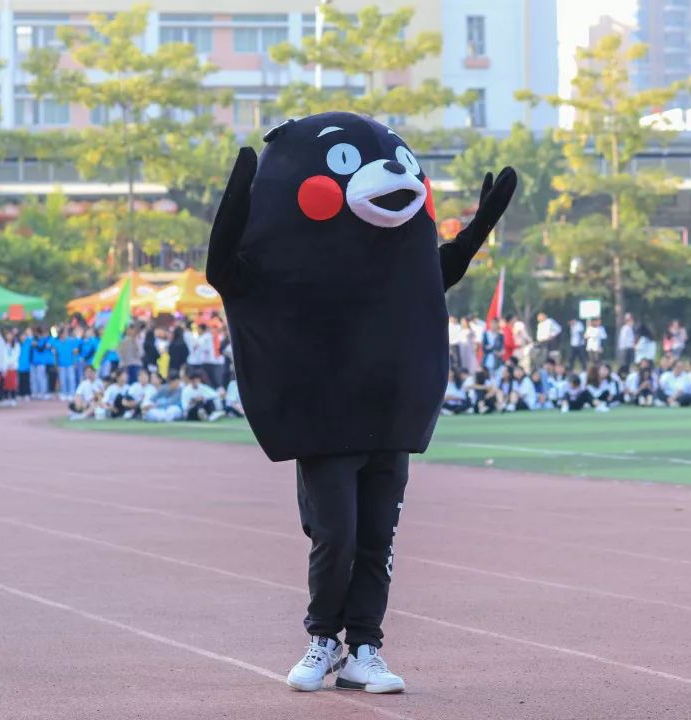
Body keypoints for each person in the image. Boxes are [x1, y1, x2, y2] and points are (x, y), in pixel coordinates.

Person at [207, 113, 515, 695]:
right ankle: (323, 638)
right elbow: (228, 274)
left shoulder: (395, 267)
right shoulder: (290, 266)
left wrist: (476, 232)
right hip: (325, 416)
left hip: (388, 414)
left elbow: (434, 273)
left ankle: (365, 648)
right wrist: (236, 207)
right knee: (337, 536)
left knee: (377, 540)